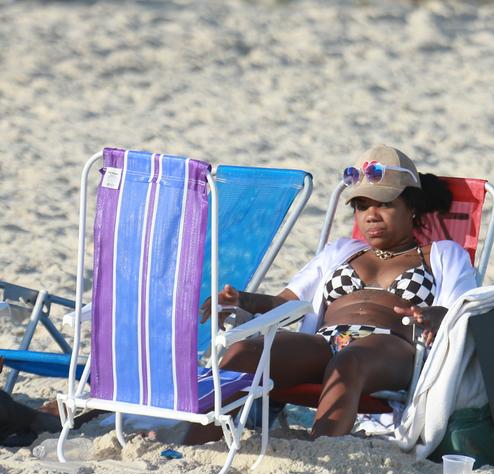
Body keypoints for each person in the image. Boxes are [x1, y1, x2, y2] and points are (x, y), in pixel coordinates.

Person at [190, 144, 477, 442]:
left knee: (349, 361)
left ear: (412, 207)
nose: (371, 216)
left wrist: (435, 316)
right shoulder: (342, 251)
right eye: (362, 207)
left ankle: (321, 450)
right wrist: (242, 300)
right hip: (326, 342)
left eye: (385, 204)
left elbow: (466, 309)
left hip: (393, 348)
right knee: (245, 352)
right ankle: (194, 439)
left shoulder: (440, 255)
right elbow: (287, 303)